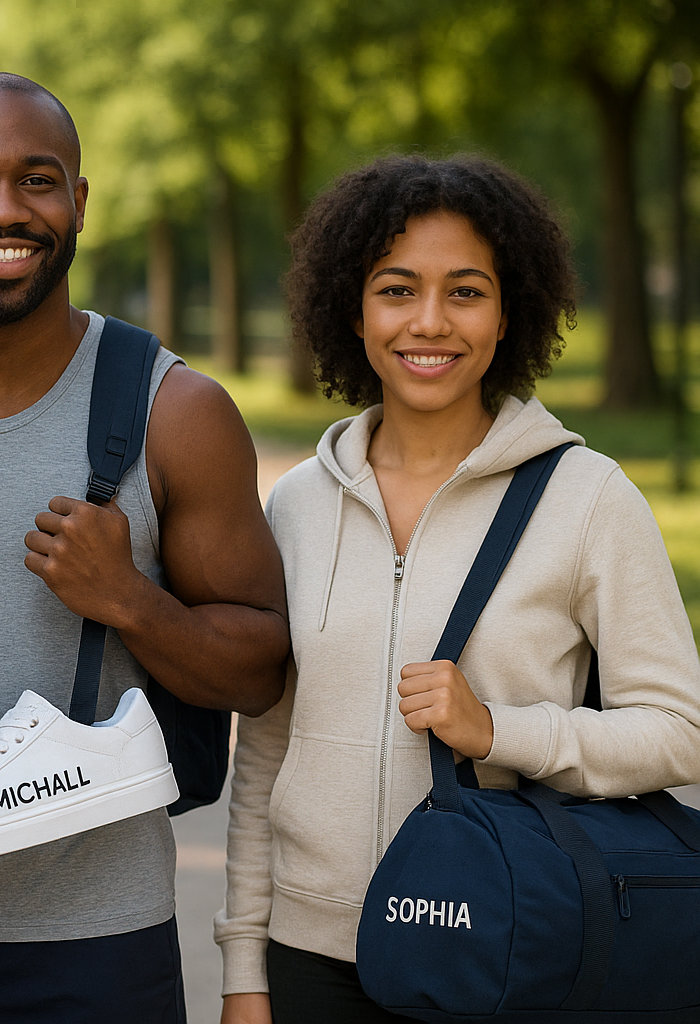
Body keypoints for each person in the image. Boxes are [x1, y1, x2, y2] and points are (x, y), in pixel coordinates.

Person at [0, 73, 290, 1024]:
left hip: (95, 947)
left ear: (80, 201)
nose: (4, 210)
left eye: (38, 180)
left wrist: (130, 599)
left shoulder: (175, 413)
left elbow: (261, 671)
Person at [215, 155, 700, 1023]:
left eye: (465, 292)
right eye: (397, 289)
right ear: (351, 308)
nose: (429, 322)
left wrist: (499, 731)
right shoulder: (295, 503)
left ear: (509, 310)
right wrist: (244, 965)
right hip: (307, 959)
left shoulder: (588, 499)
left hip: (498, 948)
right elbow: (264, 752)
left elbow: (679, 733)